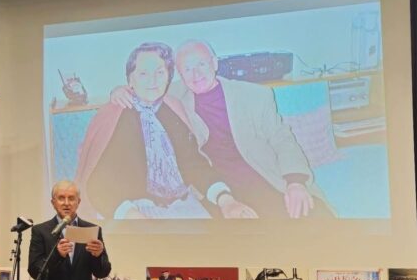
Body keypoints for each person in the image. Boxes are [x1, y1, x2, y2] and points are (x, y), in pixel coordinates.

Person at [111, 39, 329, 219]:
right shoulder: (173, 98)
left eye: (201, 65)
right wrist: (120, 91)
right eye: (187, 69)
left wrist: (295, 182)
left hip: (260, 176)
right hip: (215, 187)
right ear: (179, 74)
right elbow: (146, 88)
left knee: (314, 221)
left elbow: (282, 139)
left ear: (214, 64)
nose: (196, 74)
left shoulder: (254, 95)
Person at [76, 42, 254, 220]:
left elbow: (194, 164)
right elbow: (99, 182)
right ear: (130, 80)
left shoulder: (173, 108)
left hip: (182, 204)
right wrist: (132, 216)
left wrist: (226, 201)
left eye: (160, 72)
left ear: (169, 76)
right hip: (128, 209)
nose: (153, 81)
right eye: (143, 74)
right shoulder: (114, 115)